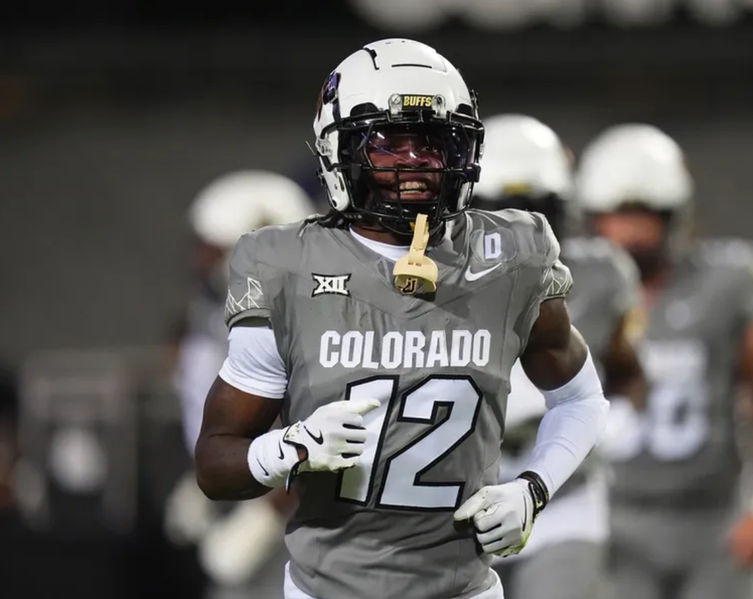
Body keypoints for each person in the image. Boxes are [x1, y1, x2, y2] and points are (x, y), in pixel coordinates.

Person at [194, 38, 609, 599]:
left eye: (434, 143)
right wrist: (288, 449)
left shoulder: (512, 253)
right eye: (391, 144)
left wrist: (533, 489)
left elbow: (581, 399)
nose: (415, 163)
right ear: (339, 149)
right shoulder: (284, 265)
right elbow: (217, 462)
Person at [576, 124, 753, 599]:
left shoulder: (725, 283)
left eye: (641, 216)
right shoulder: (573, 289)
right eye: (614, 215)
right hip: (613, 519)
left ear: (674, 217)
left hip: (711, 520)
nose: (626, 233)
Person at [473, 113, 642, 599]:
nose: (521, 226)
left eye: (535, 208)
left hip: (561, 496)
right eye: (505, 208)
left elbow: (629, 370)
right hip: (467, 500)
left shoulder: (599, 271)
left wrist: (607, 425)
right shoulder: (438, 276)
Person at [166, 170, 314, 590]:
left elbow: (316, 422)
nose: (201, 261)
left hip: (292, 512)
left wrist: (265, 515)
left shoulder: (302, 317)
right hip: (241, 479)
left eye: (213, 250)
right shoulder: (219, 309)